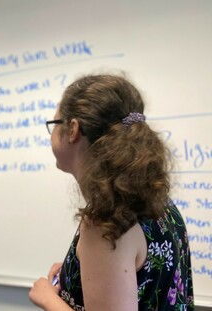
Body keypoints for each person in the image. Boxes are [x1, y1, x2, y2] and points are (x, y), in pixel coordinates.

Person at [28, 74, 194, 310]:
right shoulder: (157, 202)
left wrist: (47, 298)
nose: (52, 135)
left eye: (54, 125)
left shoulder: (107, 221)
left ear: (73, 129)